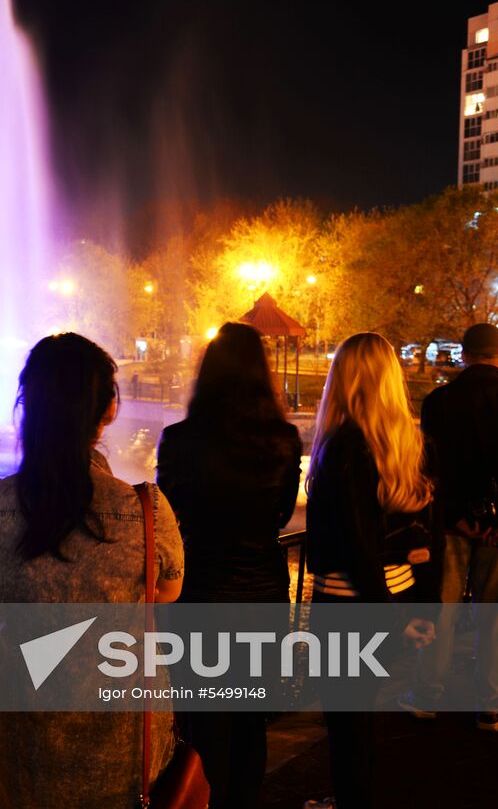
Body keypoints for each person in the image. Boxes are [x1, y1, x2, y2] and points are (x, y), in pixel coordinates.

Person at [0, 332, 185, 807]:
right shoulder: (144, 509)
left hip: (25, 739)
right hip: (122, 742)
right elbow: (168, 591)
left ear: (30, 406)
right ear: (108, 410)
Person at [156, 322, 300, 809]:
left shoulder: (179, 440)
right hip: (260, 591)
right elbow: (281, 514)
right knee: (250, 721)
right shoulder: (283, 440)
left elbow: (169, 514)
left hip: (201, 593)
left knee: (203, 722)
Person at [305, 332, 437, 809]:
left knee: (345, 719)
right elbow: (414, 532)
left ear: (344, 377)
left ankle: (350, 799)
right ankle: (355, 795)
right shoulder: (404, 441)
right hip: (394, 591)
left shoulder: (344, 446)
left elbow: (357, 545)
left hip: (349, 602)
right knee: (362, 713)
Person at [412, 323, 498, 731]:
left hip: (452, 527)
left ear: (465, 356)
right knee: (494, 617)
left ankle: (428, 693)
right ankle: (489, 703)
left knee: (442, 611)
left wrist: (455, 516)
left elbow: (433, 467)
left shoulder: (440, 402)